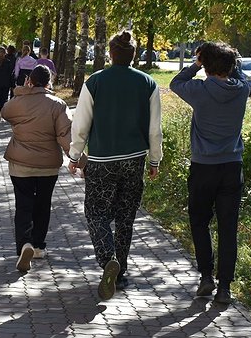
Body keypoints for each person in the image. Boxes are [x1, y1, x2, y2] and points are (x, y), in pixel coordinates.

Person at [68, 30, 163, 301]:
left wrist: (75, 156)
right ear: (134, 55)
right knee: (125, 218)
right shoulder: (148, 83)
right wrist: (154, 159)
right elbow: (154, 128)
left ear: (111, 54)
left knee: (96, 213)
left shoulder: (95, 82)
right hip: (134, 160)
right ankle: (119, 273)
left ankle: (107, 258)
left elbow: (81, 123)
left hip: (101, 161)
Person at [169, 41, 249, 306]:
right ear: (230, 65)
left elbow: (175, 82)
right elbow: (238, 72)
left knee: (199, 221)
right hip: (231, 167)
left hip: (203, 167)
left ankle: (206, 276)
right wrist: (229, 60)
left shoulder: (199, 90)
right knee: (228, 228)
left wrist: (196, 64)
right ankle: (224, 288)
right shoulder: (242, 90)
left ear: (205, 65)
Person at [1, 65, 71, 272]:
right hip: (48, 166)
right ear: (50, 82)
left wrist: (23, 91)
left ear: (29, 80)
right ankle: (39, 245)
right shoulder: (58, 105)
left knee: (23, 204)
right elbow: (64, 135)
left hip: (20, 165)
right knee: (43, 204)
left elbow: (5, 112)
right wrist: (78, 160)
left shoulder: (18, 102)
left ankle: (25, 243)